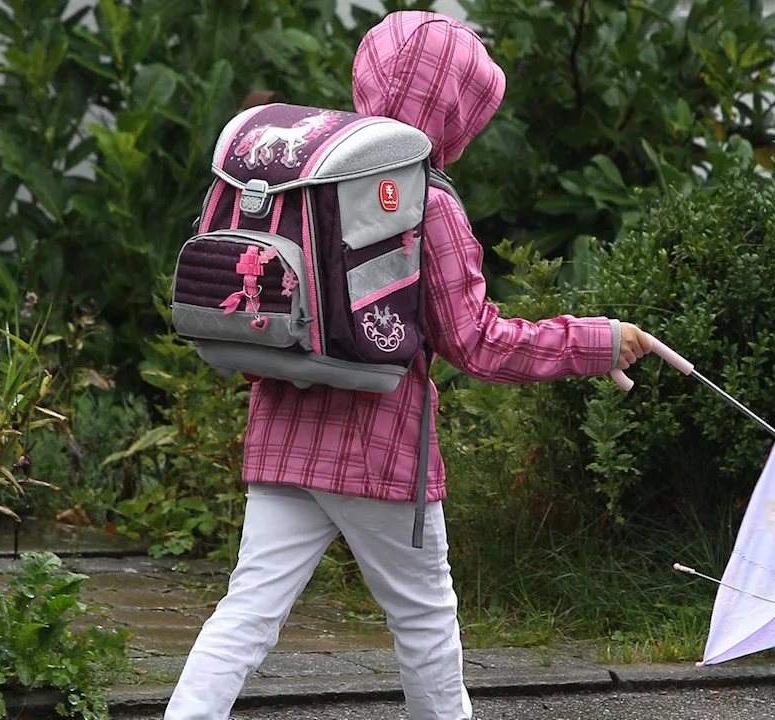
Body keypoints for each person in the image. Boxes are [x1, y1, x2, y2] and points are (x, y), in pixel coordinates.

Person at [164, 11, 654, 720]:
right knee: (425, 626)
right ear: (460, 106)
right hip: (383, 451)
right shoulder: (429, 198)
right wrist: (595, 341)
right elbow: (478, 342)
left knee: (245, 615)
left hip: (283, 434)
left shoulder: (306, 171)